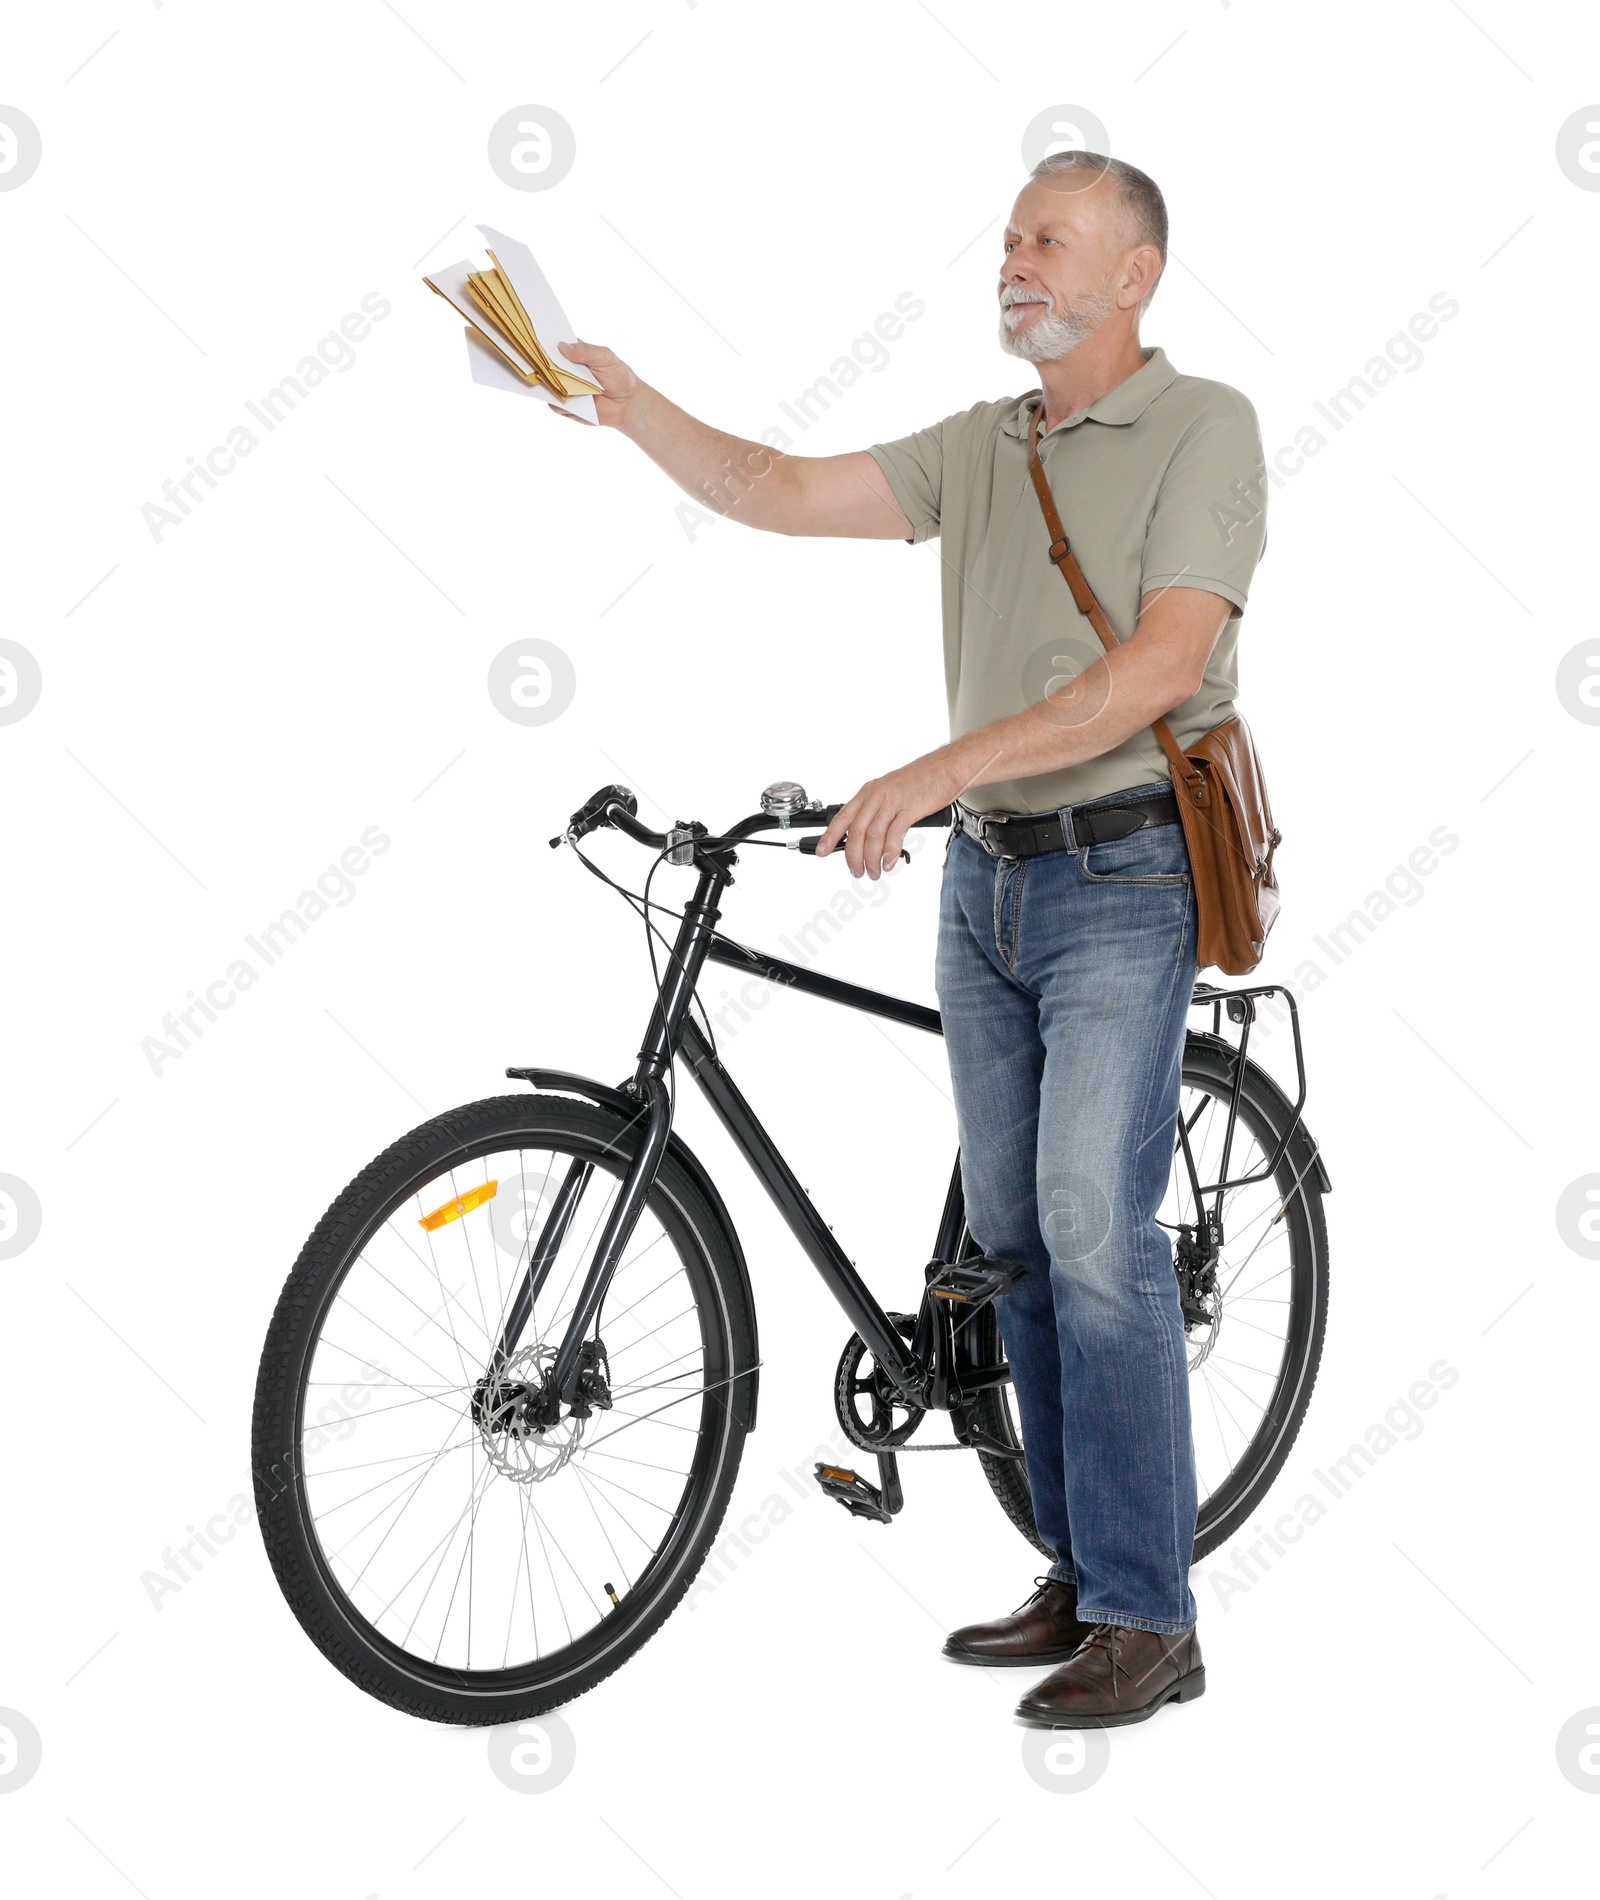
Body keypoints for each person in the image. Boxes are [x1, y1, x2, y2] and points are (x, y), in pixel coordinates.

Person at [558, 148, 1268, 1728]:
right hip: (989, 885)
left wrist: (934, 769)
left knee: (1094, 1233)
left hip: (1127, 877)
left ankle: (1155, 1618)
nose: (1014, 258)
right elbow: (783, 490)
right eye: (1010, 234)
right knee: (1011, 1244)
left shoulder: (1204, 427)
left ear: (1135, 272)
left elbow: (1162, 664)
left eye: (1052, 240)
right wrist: (631, 404)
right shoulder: (987, 445)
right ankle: (1082, 1578)